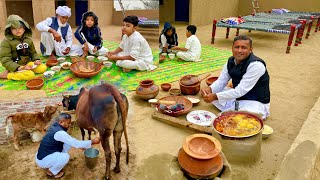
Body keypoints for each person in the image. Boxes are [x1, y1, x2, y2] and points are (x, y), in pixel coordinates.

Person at [201, 35, 270, 119]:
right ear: (232, 48)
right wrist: (210, 90)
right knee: (216, 91)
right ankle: (233, 108)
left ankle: (234, 110)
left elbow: (240, 91)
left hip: (255, 102)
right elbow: (221, 81)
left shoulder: (256, 65)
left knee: (241, 119)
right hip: (238, 97)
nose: (239, 50)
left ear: (250, 50)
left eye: (244, 48)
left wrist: (215, 96)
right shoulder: (230, 61)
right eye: (236, 47)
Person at [35, 113, 100, 178]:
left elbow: (70, 141)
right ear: (61, 122)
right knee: (65, 157)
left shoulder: (55, 126)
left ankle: (56, 162)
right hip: (43, 160)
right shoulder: (60, 133)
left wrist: (80, 146)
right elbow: (76, 143)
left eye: (70, 123)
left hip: (43, 154)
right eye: (68, 123)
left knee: (68, 143)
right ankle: (51, 172)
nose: (70, 125)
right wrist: (92, 142)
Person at [0, 15, 47, 81]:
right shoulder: (6, 42)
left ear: (24, 28)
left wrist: (36, 60)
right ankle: (7, 75)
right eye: (13, 28)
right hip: (16, 66)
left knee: (43, 68)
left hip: (28, 64)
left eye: (20, 27)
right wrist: (20, 68)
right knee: (30, 75)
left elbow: (33, 53)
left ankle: (25, 71)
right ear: (9, 30)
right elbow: (5, 59)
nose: (17, 30)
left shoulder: (28, 40)